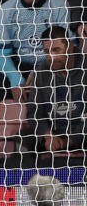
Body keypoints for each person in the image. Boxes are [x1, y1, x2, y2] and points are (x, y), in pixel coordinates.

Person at [0, 0, 71, 101]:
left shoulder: (60, 5)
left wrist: (40, 72)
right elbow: (0, 53)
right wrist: (15, 79)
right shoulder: (6, 9)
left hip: (52, 64)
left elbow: (67, 49)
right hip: (18, 65)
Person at [26, 26, 87, 164]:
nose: (51, 57)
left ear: (70, 47)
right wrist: (48, 136)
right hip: (54, 139)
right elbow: (34, 111)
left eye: (56, 50)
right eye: (47, 51)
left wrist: (70, 140)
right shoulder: (42, 71)